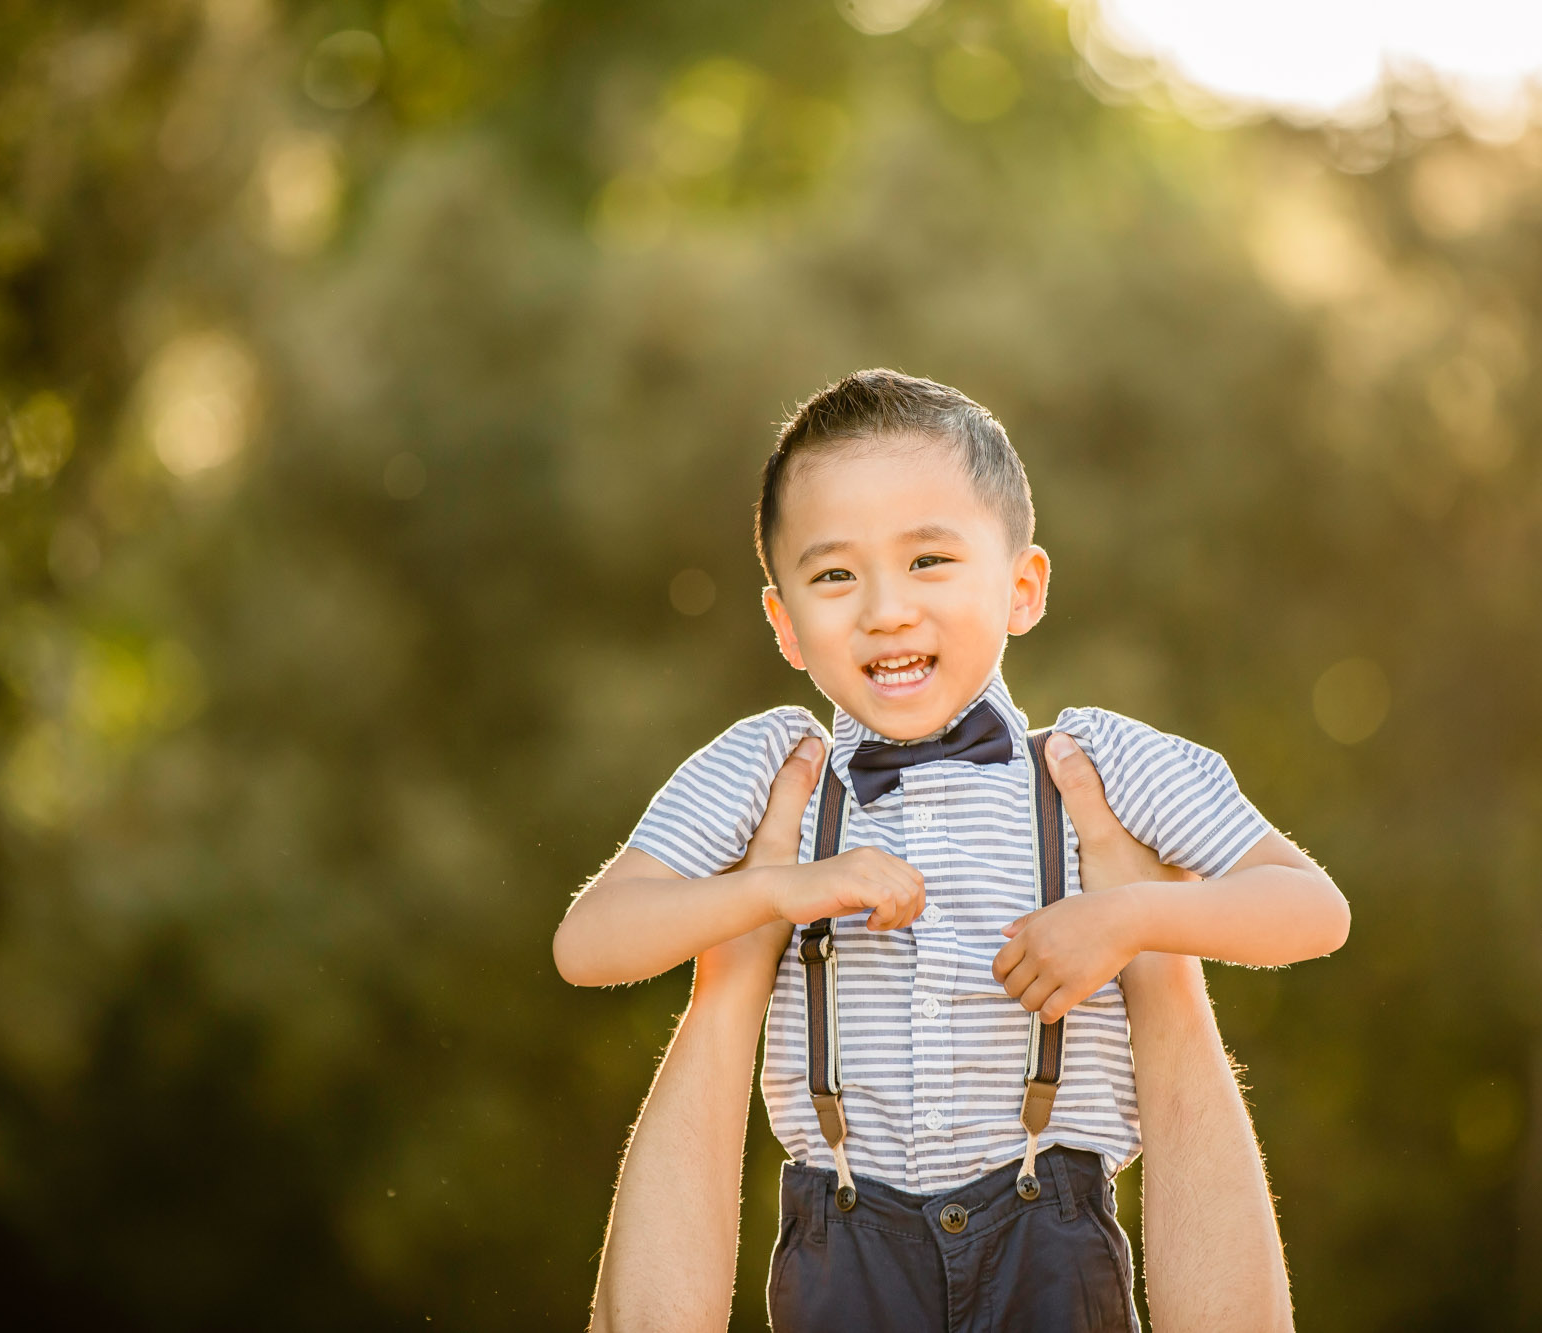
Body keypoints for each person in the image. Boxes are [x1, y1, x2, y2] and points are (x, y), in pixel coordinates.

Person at [556, 370, 1348, 1331]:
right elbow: (591, 942)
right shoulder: (771, 767)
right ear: (785, 626)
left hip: (1049, 1220)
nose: (885, 608)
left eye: (929, 560)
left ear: (1021, 588)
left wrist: (1130, 915)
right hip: (842, 1227)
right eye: (834, 574)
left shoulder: (1098, 759)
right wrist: (776, 888)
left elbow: (1310, 909)